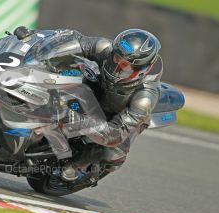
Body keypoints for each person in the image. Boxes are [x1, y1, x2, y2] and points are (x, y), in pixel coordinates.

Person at [14, 27, 163, 182]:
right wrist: (37, 46)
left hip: (114, 118)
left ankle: (79, 165)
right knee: (67, 70)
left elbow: (114, 135)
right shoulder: (105, 48)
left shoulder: (144, 98)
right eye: (116, 58)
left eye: (125, 65)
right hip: (97, 88)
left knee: (111, 152)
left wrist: (76, 119)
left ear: (142, 69)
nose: (116, 65)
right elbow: (73, 40)